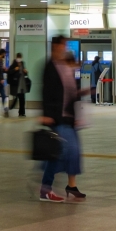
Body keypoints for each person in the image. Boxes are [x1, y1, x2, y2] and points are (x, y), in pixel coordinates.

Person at [37, 35, 85, 202]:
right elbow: (46, 91)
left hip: (69, 117)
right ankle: (45, 187)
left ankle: (67, 186)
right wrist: (45, 114)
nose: (64, 48)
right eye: (62, 45)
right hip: (57, 117)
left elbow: (71, 91)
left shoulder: (64, 65)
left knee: (72, 151)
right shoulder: (50, 66)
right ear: (55, 46)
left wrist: (77, 114)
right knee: (61, 151)